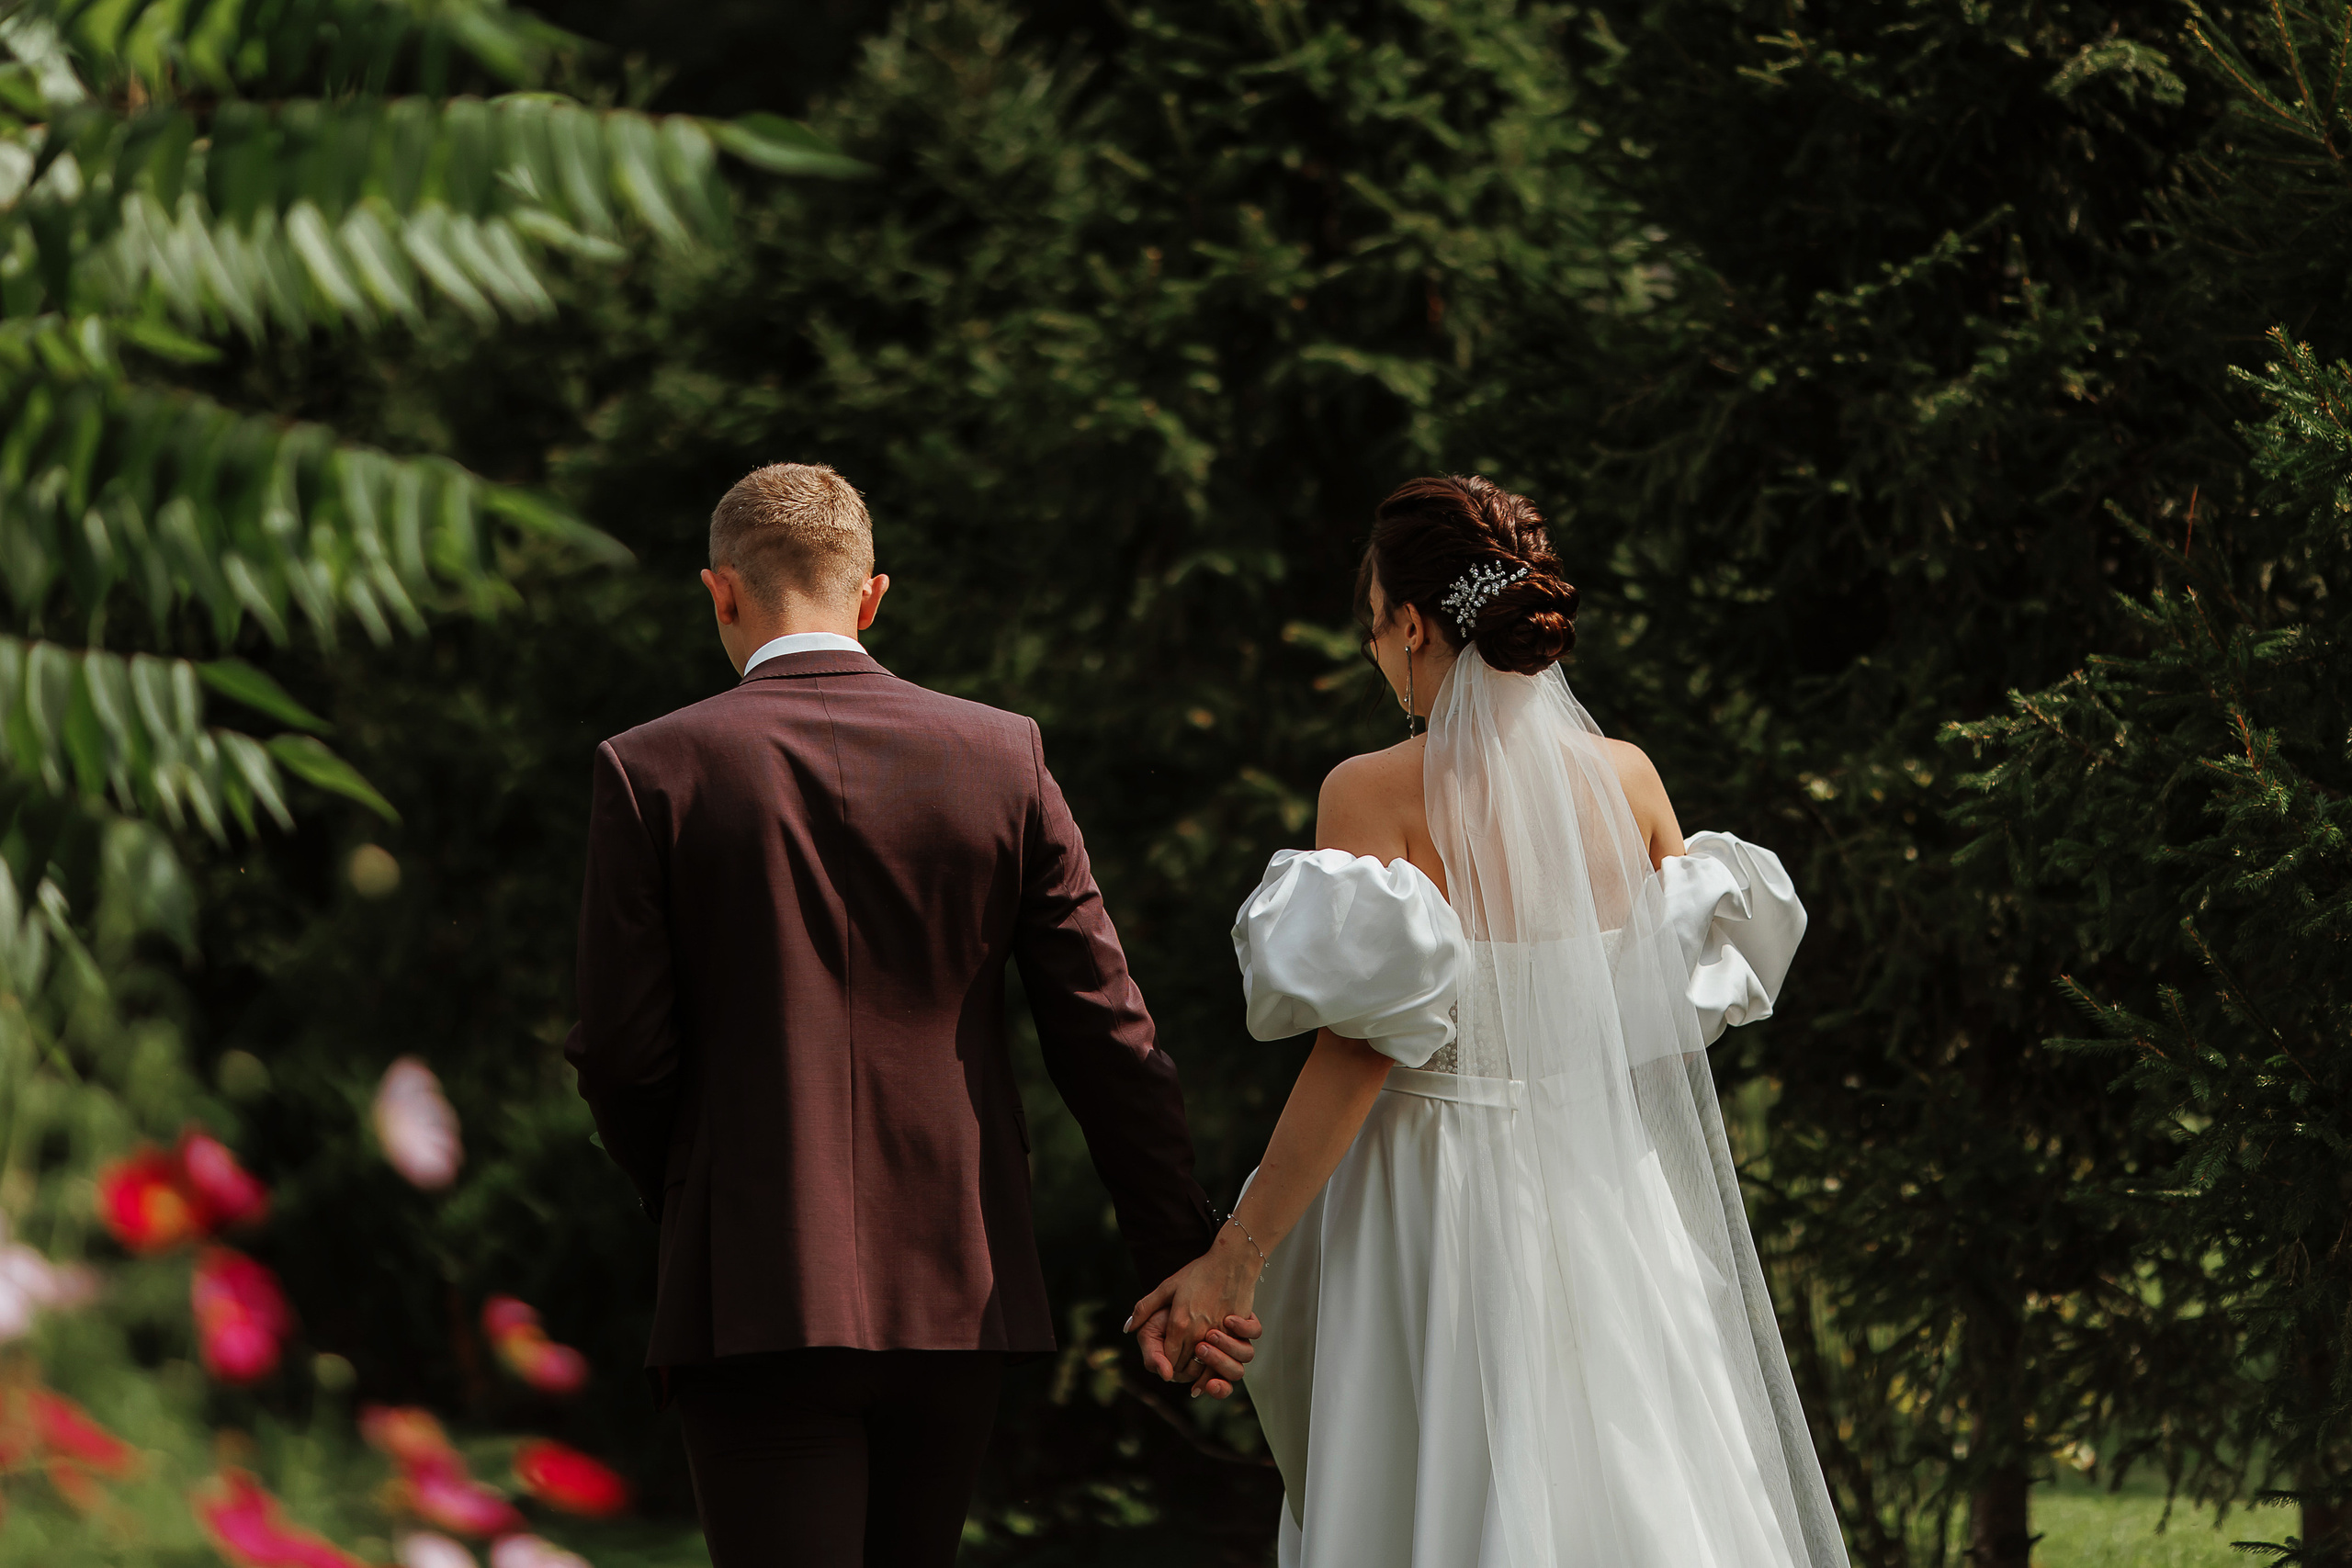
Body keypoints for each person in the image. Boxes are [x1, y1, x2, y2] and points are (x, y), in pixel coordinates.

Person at [1128, 475, 1849, 1566]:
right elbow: (1647, 1020)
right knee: (1624, 1480)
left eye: (1374, 628)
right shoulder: (1629, 781)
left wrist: (1238, 1256)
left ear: (1412, 625)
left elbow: (1359, 1050)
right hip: (1607, 1195)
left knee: (1441, 1488)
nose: (1378, 655)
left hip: (1432, 1200)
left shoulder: (1375, 790)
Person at [564, 462, 1256, 1568]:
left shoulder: (652, 769)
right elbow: (1106, 1032)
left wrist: (694, 1190)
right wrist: (1177, 1252)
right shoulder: (1002, 755)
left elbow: (622, 1053)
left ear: (721, 593)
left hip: (753, 1287)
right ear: (873, 595)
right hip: (957, 1288)